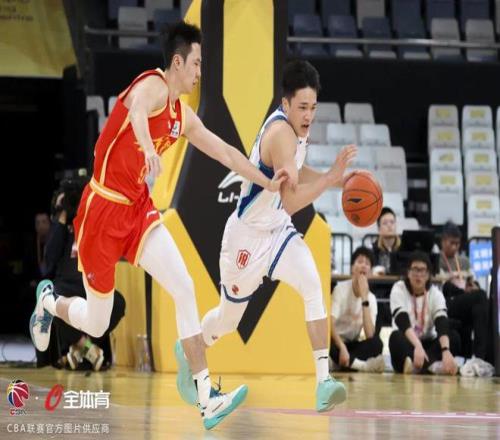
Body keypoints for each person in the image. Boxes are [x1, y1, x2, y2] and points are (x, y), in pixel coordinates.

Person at [29, 21, 288, 430]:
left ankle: (206, 397)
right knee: (97, 322)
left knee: (184, 286)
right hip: (102, 211)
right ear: (178, 62)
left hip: (137, 211)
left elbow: (225, 152)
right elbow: (136, 111)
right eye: (197, 63)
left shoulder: (182, 116)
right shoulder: (152, 85)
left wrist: (266, 180)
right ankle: (48, 302)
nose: (200, 72)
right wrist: (149, 149)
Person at [176, 60, 357, 412]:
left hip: (277, 231)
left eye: (313, 107)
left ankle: (324, 382)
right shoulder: (280, 134)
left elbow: (297, 170)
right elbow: (291, 201)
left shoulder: (296, 131)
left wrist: (334, 179)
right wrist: (329, 178)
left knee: (312, 283)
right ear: (285, 104)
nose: (308, 115)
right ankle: (191, 350)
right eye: (302, 107)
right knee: (228, 321)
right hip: (246, 238)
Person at [45, 178, 126, 371]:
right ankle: (88, 349)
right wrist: (61, 216)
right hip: (65, 285)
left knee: (118, 303)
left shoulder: (94, 219)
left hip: (90, 284)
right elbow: (50, 257)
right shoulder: (62, 225)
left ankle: (79, 348)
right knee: (50, 300)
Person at [389, 251, 460, 375]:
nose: (418, 275)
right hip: (409, 342)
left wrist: (445, 350)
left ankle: (418, 367)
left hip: (428, 343)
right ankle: (430, 366)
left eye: (422, 270)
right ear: (408, 273)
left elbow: (441, 321)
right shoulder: (398, 288)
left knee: (453, 337)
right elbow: (401, 320)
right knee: (395, 338)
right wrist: (418, 346)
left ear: (428, 275)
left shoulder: (435, 293)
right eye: (415, 270)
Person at [439, 222, 492, 376]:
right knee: (480, 297)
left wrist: (472, 287)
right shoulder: (437, 260)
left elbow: (472, 281)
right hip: (446, 301)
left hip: (463, 300)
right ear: (443, 241)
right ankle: (480, 356)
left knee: (480, 305)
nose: (455, 247)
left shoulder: (464, 261)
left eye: (457, 243)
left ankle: (478, 357)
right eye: (451, 243)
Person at [330, 247, 384, 373]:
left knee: (377, 344)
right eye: (359, 262)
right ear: (352, 268)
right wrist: (341, 347)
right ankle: (363, 366)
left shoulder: (371, 298)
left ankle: (342, 364)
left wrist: (364, 298)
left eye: (367, 263)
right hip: (335, 341)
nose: (363, 265)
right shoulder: (340, 289)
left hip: (352, 344)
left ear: (370, 272)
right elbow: (329, 324)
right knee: (329, 348)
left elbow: (370, 335)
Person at [372, 207, 400, 276]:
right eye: (385, 223)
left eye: (392, 222)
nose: (389, 225)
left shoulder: (404, 248)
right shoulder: (373, 250)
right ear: (379, 229)